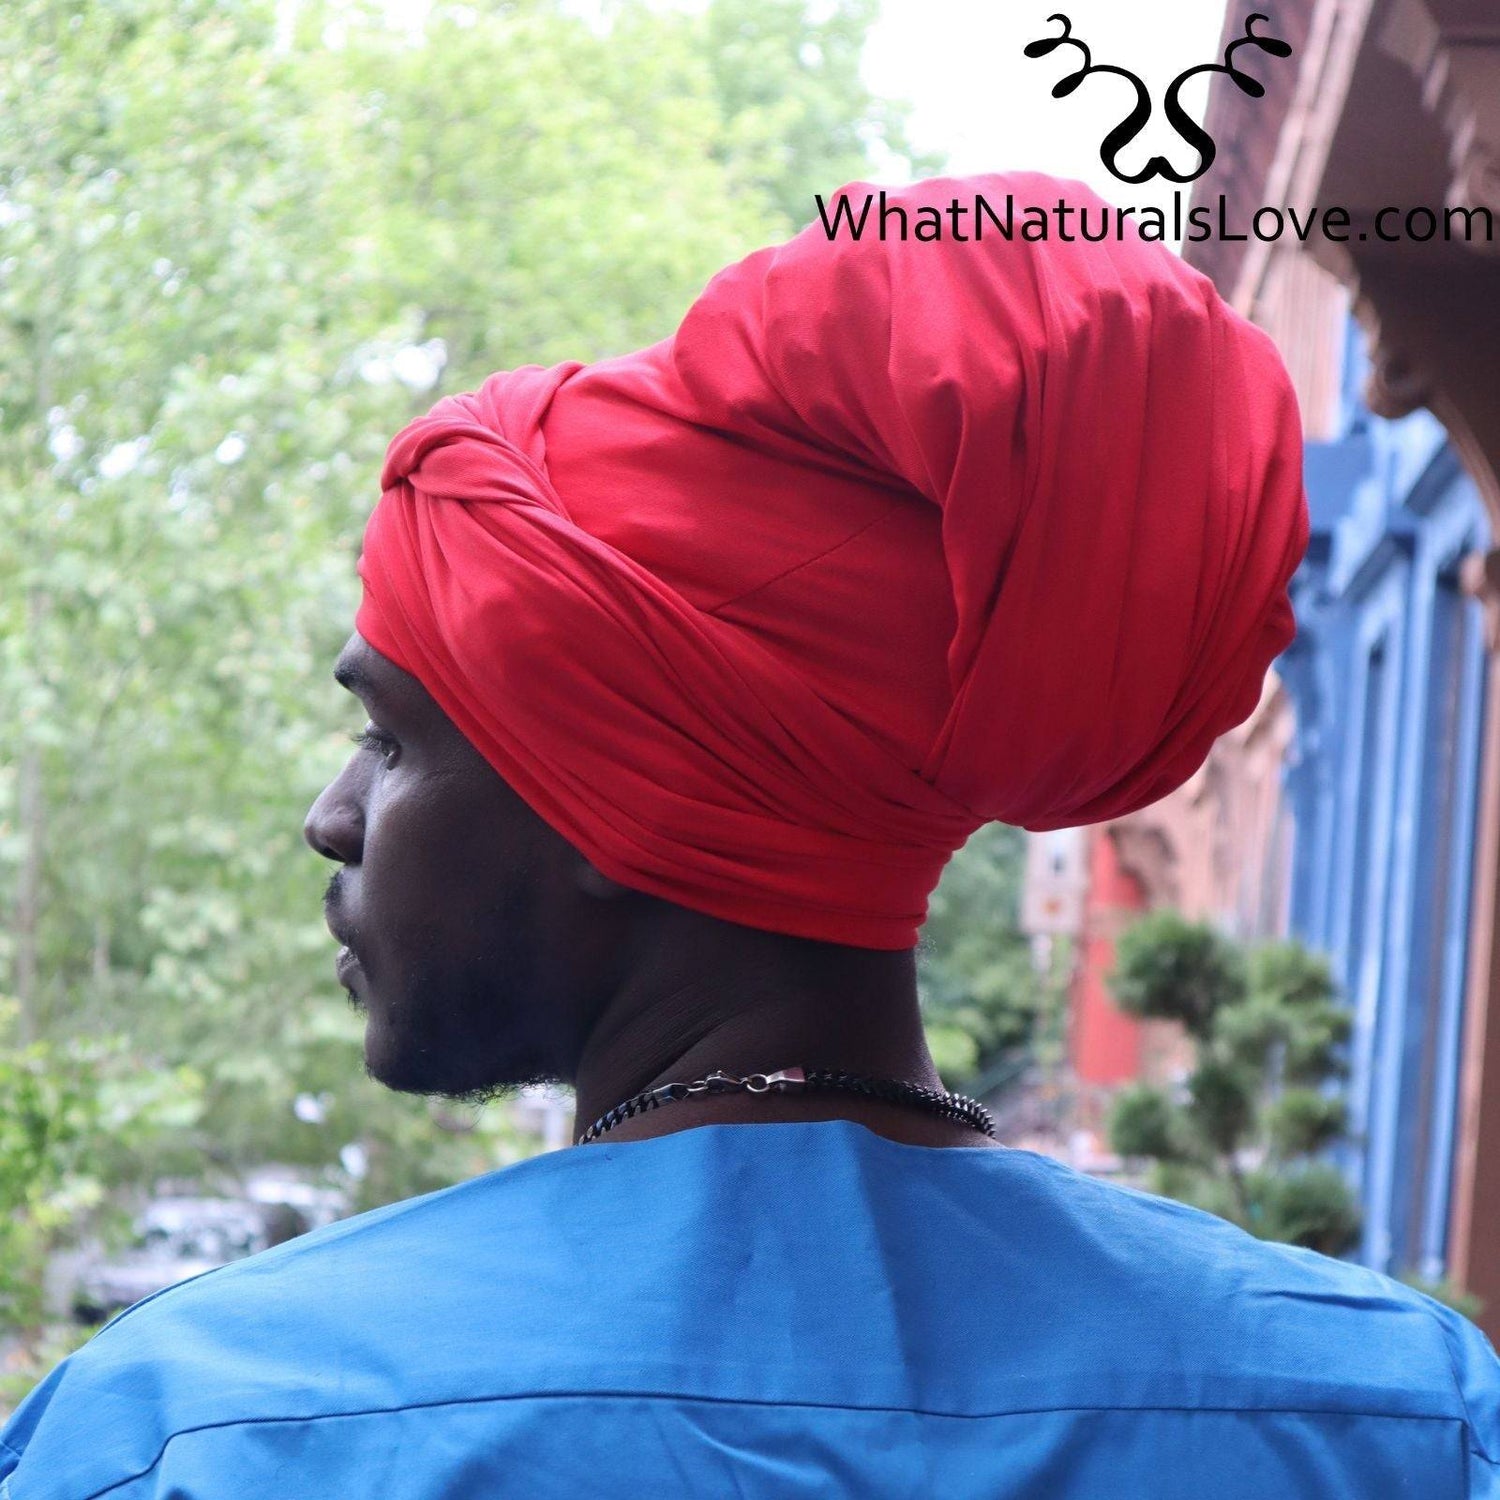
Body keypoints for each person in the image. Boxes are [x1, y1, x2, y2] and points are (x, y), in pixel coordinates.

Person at [2, 171, 1496, 1498]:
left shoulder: (200, 1434)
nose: (331, 819)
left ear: (622, 802)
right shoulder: (1395, 1421)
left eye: (392, 739)